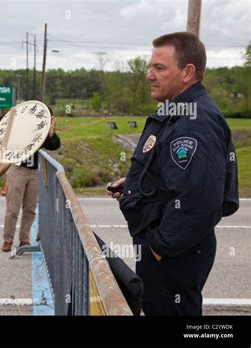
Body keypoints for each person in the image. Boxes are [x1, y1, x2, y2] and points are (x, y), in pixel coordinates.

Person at [109, 32, 239, 315]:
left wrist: (160, 247)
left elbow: (200, 199)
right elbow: (170, 174)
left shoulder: (195, 122)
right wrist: (132, 184)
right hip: (169, 249)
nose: (148, 75)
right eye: (150, 67)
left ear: (187, 72)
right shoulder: (178, 111)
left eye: (159, 68)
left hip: (174, 253)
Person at [2, 107, 61, 252]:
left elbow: (54, 145)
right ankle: (7, 240)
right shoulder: (20, 126)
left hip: (34, 172)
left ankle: (24, 239)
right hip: (17, 169)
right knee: (12, 208)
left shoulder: (42, 131)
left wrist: (50, 130)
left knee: (30, 208)